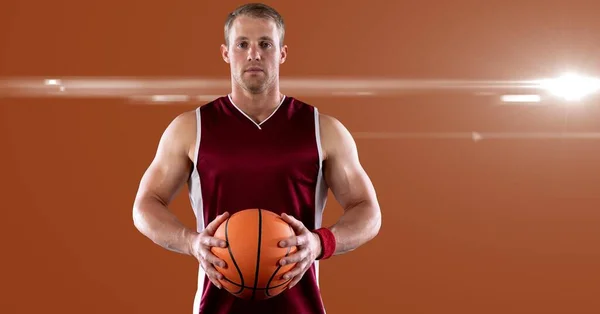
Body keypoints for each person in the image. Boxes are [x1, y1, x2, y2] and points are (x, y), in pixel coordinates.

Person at [132, 3, 382, 314]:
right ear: (226, 53)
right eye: (242, 44)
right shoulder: (190, 128)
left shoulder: (323, 129)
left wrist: (320, 243)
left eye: (265, 44)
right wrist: (190, 242)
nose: (254, 54)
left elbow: (368, 210)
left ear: (282, 53)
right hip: (216, 306)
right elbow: (145, 205)